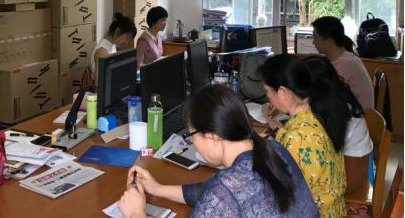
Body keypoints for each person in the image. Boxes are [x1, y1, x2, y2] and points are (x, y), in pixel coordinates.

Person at [118, 85, 319, 218]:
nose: (192, 142)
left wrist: (136, 214)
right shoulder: (275, 149)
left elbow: (222, 194)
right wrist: (157, 189)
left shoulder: (226, 189)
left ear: (213, 136)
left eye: (191, 135)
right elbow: (210, 191)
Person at [259, 54, 347, 218]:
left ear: (283, 92)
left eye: (267, 91)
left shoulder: (298, 138)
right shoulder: (317, 115)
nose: (267, 96)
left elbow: (284, 194)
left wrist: (261, 153)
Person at [303, 55, 373, 194]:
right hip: (350, 168)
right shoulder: (336, 99)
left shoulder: (332, 111)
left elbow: (317, 148)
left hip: (349, 178)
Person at [311, 16, 374, 111]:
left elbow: (325, 97)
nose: (313, 42)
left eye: (315, 38)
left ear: (329, 41)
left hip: (357, 117)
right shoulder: (346, 57)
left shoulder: (344, 64)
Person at [91, 13, 136, 87]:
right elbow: (98, 83)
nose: (126, 42)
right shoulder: (103, 51)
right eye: (127, 38)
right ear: (118, 31)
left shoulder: (112, 45)